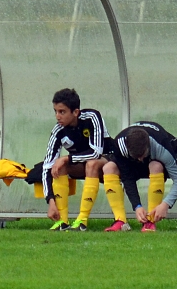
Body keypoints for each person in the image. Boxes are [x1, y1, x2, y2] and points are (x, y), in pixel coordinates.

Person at [42, 88, 122, 232]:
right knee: (58, 168)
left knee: (91, 164)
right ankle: (62, 221)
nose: (57, 116)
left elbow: (96, 151)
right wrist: (50, 200)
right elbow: (47, 166)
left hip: (109, 159)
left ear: (76, 112)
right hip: (83, 164)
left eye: (62, 112)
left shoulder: (92, 117)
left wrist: (66, 158)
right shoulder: (58, 131)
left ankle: (82, 220)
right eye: (55, 111)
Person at [105, 121, 177, 232]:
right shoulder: (119, 145)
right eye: (136, 157)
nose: (140, 159)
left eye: (142, 155)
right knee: (109, 168)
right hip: (134, 158)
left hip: (158, 157)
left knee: (155, 165)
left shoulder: (162, 147)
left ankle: (150, 221)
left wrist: (165, 204)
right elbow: (127, 178)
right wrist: (137, 206)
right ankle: (120, 221)